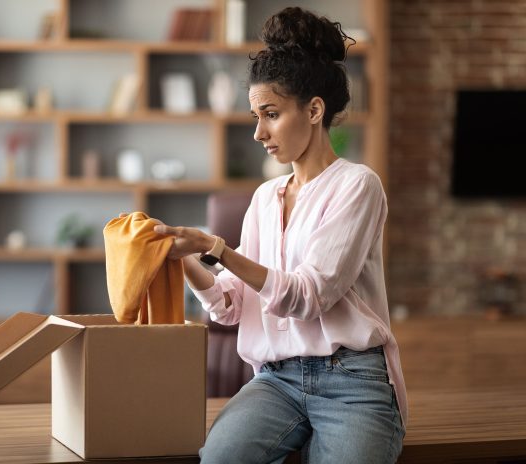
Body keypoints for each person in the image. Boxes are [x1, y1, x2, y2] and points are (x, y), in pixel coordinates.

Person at [153, 6, 407, 464]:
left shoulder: (357, 185)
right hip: (276, 381)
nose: (258, 132)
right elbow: (231, 306)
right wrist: (184, 259)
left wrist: (217, 248)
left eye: (270, 114)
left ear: (314, 110)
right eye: (255, 116)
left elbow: (309, 295)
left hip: (351, 381)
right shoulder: (265, 197)